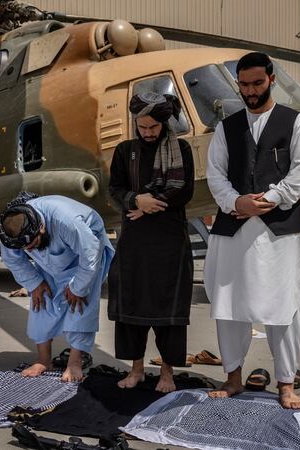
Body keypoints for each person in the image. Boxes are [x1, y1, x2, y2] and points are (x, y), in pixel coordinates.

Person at [204, 52, 300, 409]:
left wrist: (266, 199)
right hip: (233, 229)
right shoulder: (225, 127)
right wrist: (238, 203)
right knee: (229, 306)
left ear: (271, 80)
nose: (250, 91)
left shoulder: (296, 122)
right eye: (244, 84)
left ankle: (285, 383)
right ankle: (233, 377)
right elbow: (215, 175)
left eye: (256, 83)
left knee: (285, 308)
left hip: (280, 232)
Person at [107, 92, 195, 393]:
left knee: (167, 311)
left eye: (153, 127)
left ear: (164, 123)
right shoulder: (124, 150)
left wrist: (150, 204)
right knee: (133, 306)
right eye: (142, 127)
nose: (147, 133)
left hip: (169, 241)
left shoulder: (180, 148)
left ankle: (167, 374)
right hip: (135, 242)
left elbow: (184, 192)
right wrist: (136, 200)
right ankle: (137, 370)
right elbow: (115, 189)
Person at [0, 193, 114, 382]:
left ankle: (75, 362)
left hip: (84, 254)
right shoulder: (10, 230)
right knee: (40, 299)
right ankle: (43, 360)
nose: (29, 250)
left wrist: (78, 287)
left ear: (42, 228)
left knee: (80, 303)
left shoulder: (66, 221)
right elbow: (13, 259)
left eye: (33, 244)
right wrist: (34, 283)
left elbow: (90, 254)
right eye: (25, 248)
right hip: (49, 261)